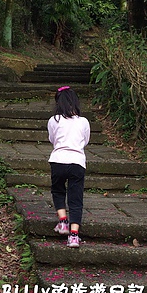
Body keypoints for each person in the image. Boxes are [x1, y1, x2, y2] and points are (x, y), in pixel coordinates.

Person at [47, 86, 90, 248]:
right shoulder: (83, 121)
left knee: (58, 190)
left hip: (58, 160)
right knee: (76, 198)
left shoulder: (54, 120)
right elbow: (85, 141)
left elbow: (52, 139)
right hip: (77, 162)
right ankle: (73, 236)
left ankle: (63, 222)